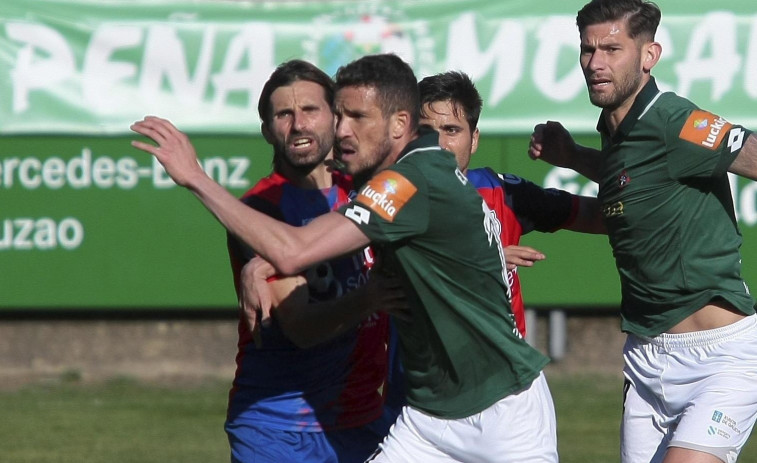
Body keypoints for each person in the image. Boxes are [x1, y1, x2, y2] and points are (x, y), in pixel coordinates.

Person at [132, 53, 558, 463]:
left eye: (357, 117)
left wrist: (195, 178)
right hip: (428, 416)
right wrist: (264, 260)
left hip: (502, 409)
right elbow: (320, 237)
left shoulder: (406, 182)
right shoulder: (396, 172)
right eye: (341, 116)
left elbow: (296, 248)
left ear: (399, 124)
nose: (343, 130)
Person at [528, 1, 757, 462]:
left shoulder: (671, 119)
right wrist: (574, 157)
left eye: (612, 48)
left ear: (649, 55)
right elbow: (634, 181)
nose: (596, 63)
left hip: (721, 361)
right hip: (646, 361)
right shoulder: (618, 128)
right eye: (588, 50)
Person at [223, 59, 404, 463]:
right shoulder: (260, 210)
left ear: (335, 117)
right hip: (278, 428)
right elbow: (302, 328)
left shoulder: (366, 192)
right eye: (283, 114)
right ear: (267, 129)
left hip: (362, 419)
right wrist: (373, 297)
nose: (299, 125)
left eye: (310, 110)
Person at [418, 70, 604, 337]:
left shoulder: (502, 191)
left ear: (474, 140)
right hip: (427, 369)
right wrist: (484, 262)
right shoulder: (388, 198)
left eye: (451, 130)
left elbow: (601, 216)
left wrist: (575, 158)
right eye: (426, 131)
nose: (439, 144)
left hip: (511, 370)